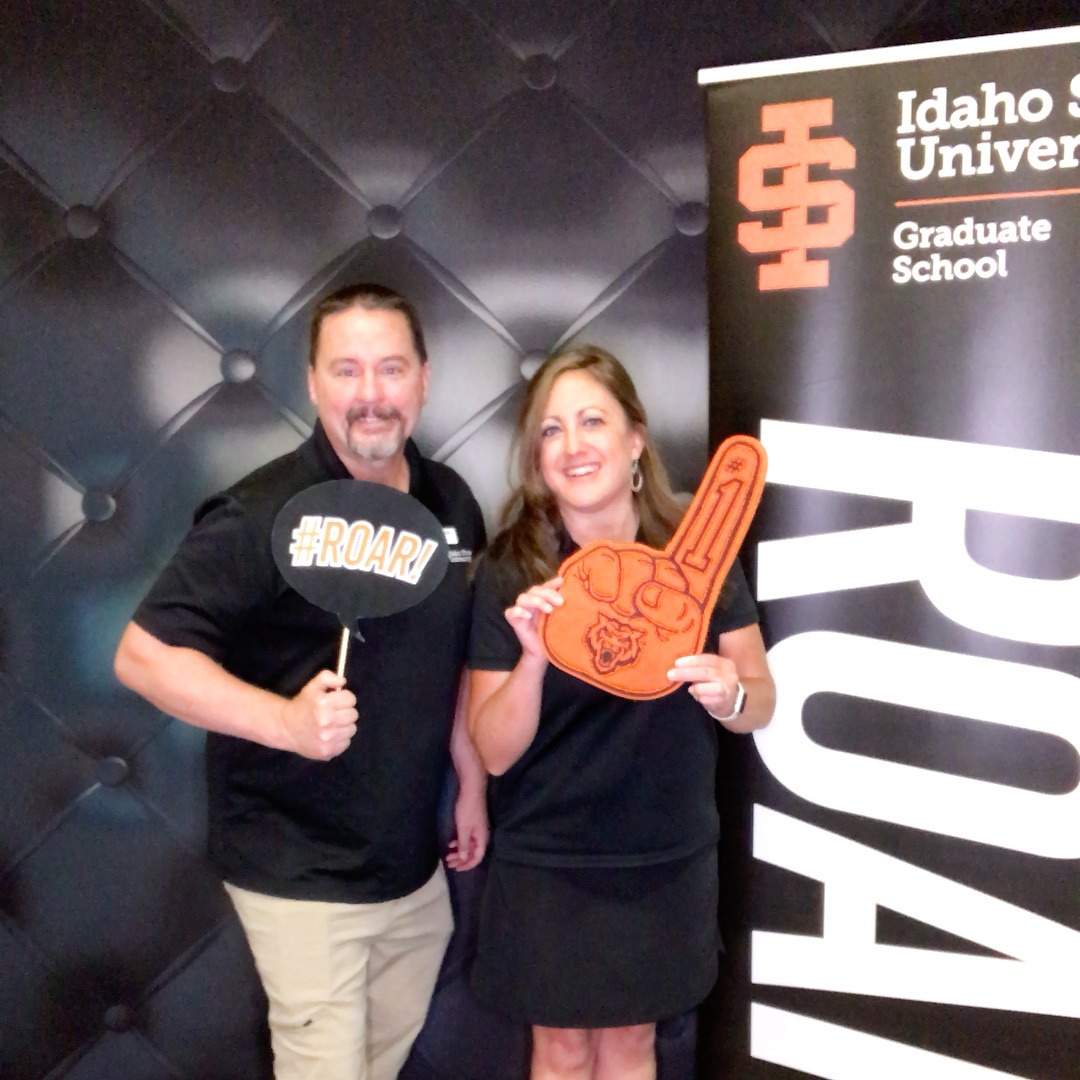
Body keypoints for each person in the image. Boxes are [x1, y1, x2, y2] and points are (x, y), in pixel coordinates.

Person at [114, 283, 488, 1080]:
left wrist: (470, 779)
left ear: (423, 379)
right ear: (314, 384)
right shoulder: (258, 513)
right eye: (346, 370)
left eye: (391, 369)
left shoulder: (451, 505)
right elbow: (143, 656)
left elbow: (455, 656)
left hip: (411, 871)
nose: (371, 394)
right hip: (300, 871)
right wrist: (283, 721)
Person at [466, 345, 775, 1080]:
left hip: (662, 857)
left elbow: (760, 701)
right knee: (562, 1049)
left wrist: (731, 692)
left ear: (635, 439)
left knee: (634, 1046)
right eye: (551, 429)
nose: (572, 446)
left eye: (592, 421)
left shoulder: (697, 560)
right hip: (550, 859)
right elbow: (495, 751)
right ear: (536, 454)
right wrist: (535, 657)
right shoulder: (514, 567)